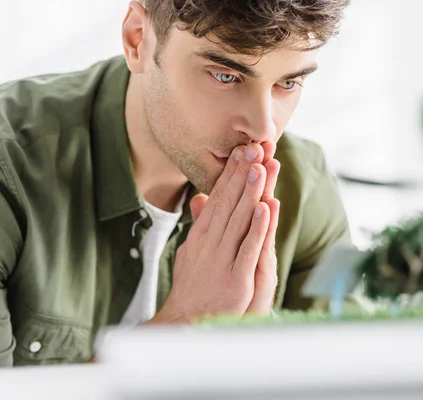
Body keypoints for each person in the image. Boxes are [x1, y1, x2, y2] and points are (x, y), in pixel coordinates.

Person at [0, 0, 352, 367]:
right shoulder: (10, 165)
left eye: (289, 83)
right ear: (138, 39)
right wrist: (186, 322)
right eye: (225, 76)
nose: (265, 130)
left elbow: (353, 377)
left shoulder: (306, 186)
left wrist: (251, 360)